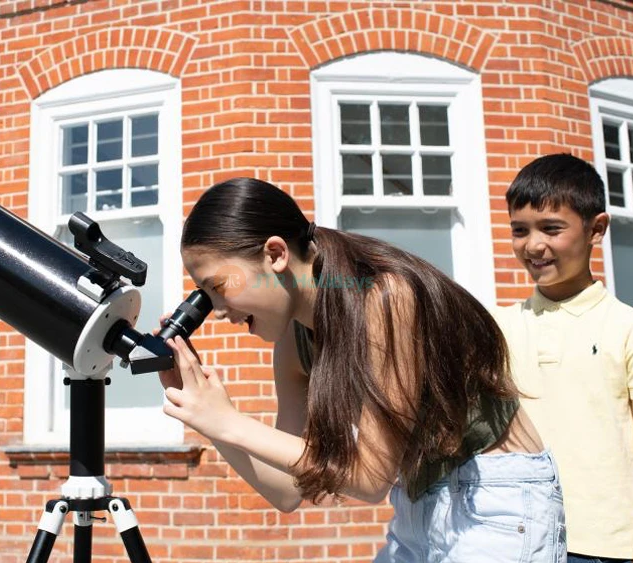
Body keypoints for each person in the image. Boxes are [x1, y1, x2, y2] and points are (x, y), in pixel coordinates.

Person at [158, 177, 566, 562]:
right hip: (418, 500)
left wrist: (228, 422)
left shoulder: (384, 297)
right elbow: (286, 491)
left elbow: (369, 478)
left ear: (276, 254)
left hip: (493, 497)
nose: (216, 310)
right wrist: (206, 416)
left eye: (217, 287)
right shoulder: (294, 340)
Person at [495, 154, 633, 563]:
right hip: (519, 543)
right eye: (520, 230)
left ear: (596, 229)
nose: (533, 245)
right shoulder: (496, 327)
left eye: (551, 228)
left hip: (608, 550)